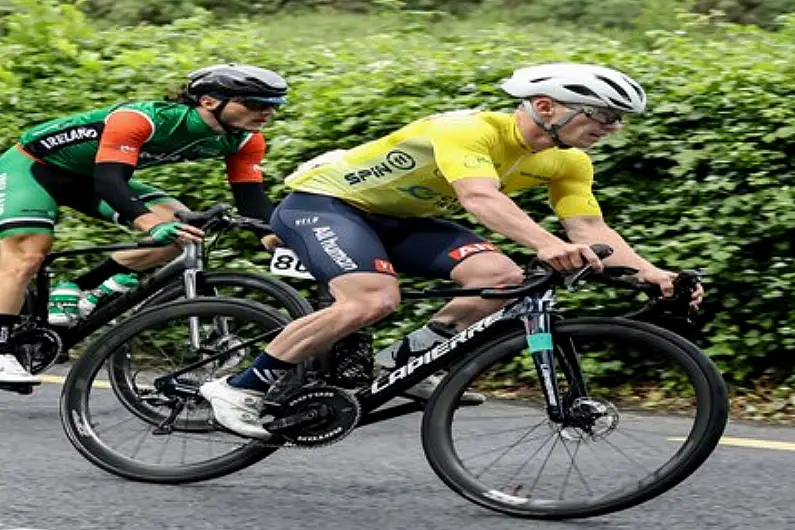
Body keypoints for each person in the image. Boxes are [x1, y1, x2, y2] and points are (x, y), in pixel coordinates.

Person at [200, 62, 704, 439]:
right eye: (603, 115)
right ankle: (241, 386)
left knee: (503, 278)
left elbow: (590, 226)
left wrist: (652, 273)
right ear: (546, 107)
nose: (612, 128)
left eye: (619, 120)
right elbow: (478, 197)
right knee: (372, 301)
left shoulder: (568, 162)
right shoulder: (469, 129)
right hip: (325, 204)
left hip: (401, 219)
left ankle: (401, 364)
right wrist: (548, 245)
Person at [0, 63, 288, 390]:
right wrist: (150, 224)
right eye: (254, 104)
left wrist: (270, 234)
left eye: (274, 105)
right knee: (28, 254)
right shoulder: (141, 119)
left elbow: (250, 197)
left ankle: (82, 287)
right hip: (34, 169)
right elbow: (111, 182)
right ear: (209, 101)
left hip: (92, 177)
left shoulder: (245, 140)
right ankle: (1, 348)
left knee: (184, 233)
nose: (267, 112)